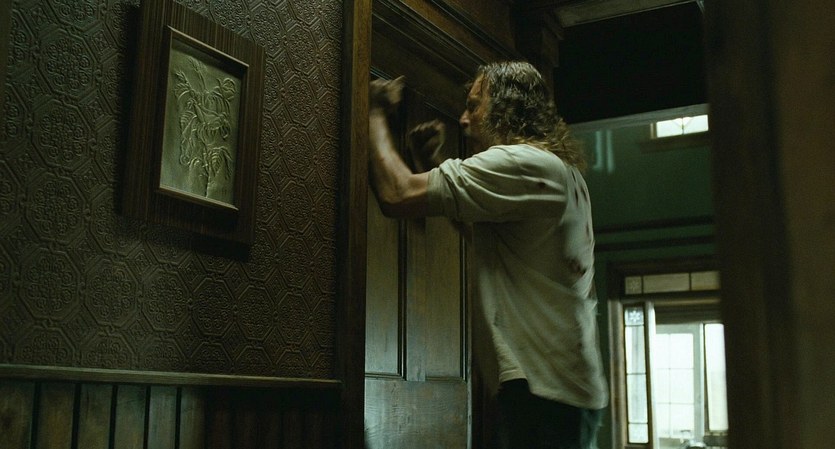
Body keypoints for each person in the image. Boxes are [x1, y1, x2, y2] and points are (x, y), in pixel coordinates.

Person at [368, 61, 609, 449]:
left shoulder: (523, 163)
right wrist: (430, 166)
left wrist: (373, 111)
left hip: (544, 391)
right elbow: (478, 229)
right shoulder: (558, 170)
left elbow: (397, 194)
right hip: (559, 388)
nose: (463, 120)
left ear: (507, 108)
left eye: (474, 105)